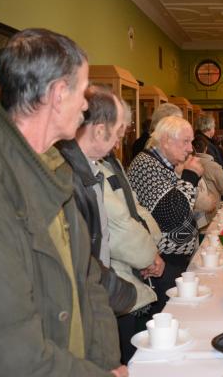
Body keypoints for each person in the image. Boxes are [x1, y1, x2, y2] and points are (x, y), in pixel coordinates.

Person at [0, 28, 125, 376]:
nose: (87, 105)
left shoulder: (51, 166)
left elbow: (89, 283)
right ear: (59, 94)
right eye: (83, 91)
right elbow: (10, 351)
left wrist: (106, 365)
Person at [57, 85, 137, 316]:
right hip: (86, 303)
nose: (118, 144)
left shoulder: (89, 170)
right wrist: (124, 294)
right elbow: (81, 261)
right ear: (100, 131)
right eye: (117, 135)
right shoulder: (70, 176)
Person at [99, 100, 165, 363]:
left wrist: (153, 246)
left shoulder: (111, 161)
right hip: (115, 278)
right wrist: (150, 255)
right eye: (119, 133)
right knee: (128, 355)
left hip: (134, 265)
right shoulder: (91, 166)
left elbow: (134, 207)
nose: (118, 143)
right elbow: (119, 225)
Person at [128, 115, 203, 282]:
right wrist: (190, 176)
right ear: (166, 140)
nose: (190, 148)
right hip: (161, 264)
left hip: (171, 262)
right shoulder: (146, 165)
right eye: (185, 141)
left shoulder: (161, 164)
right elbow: (173, 216)